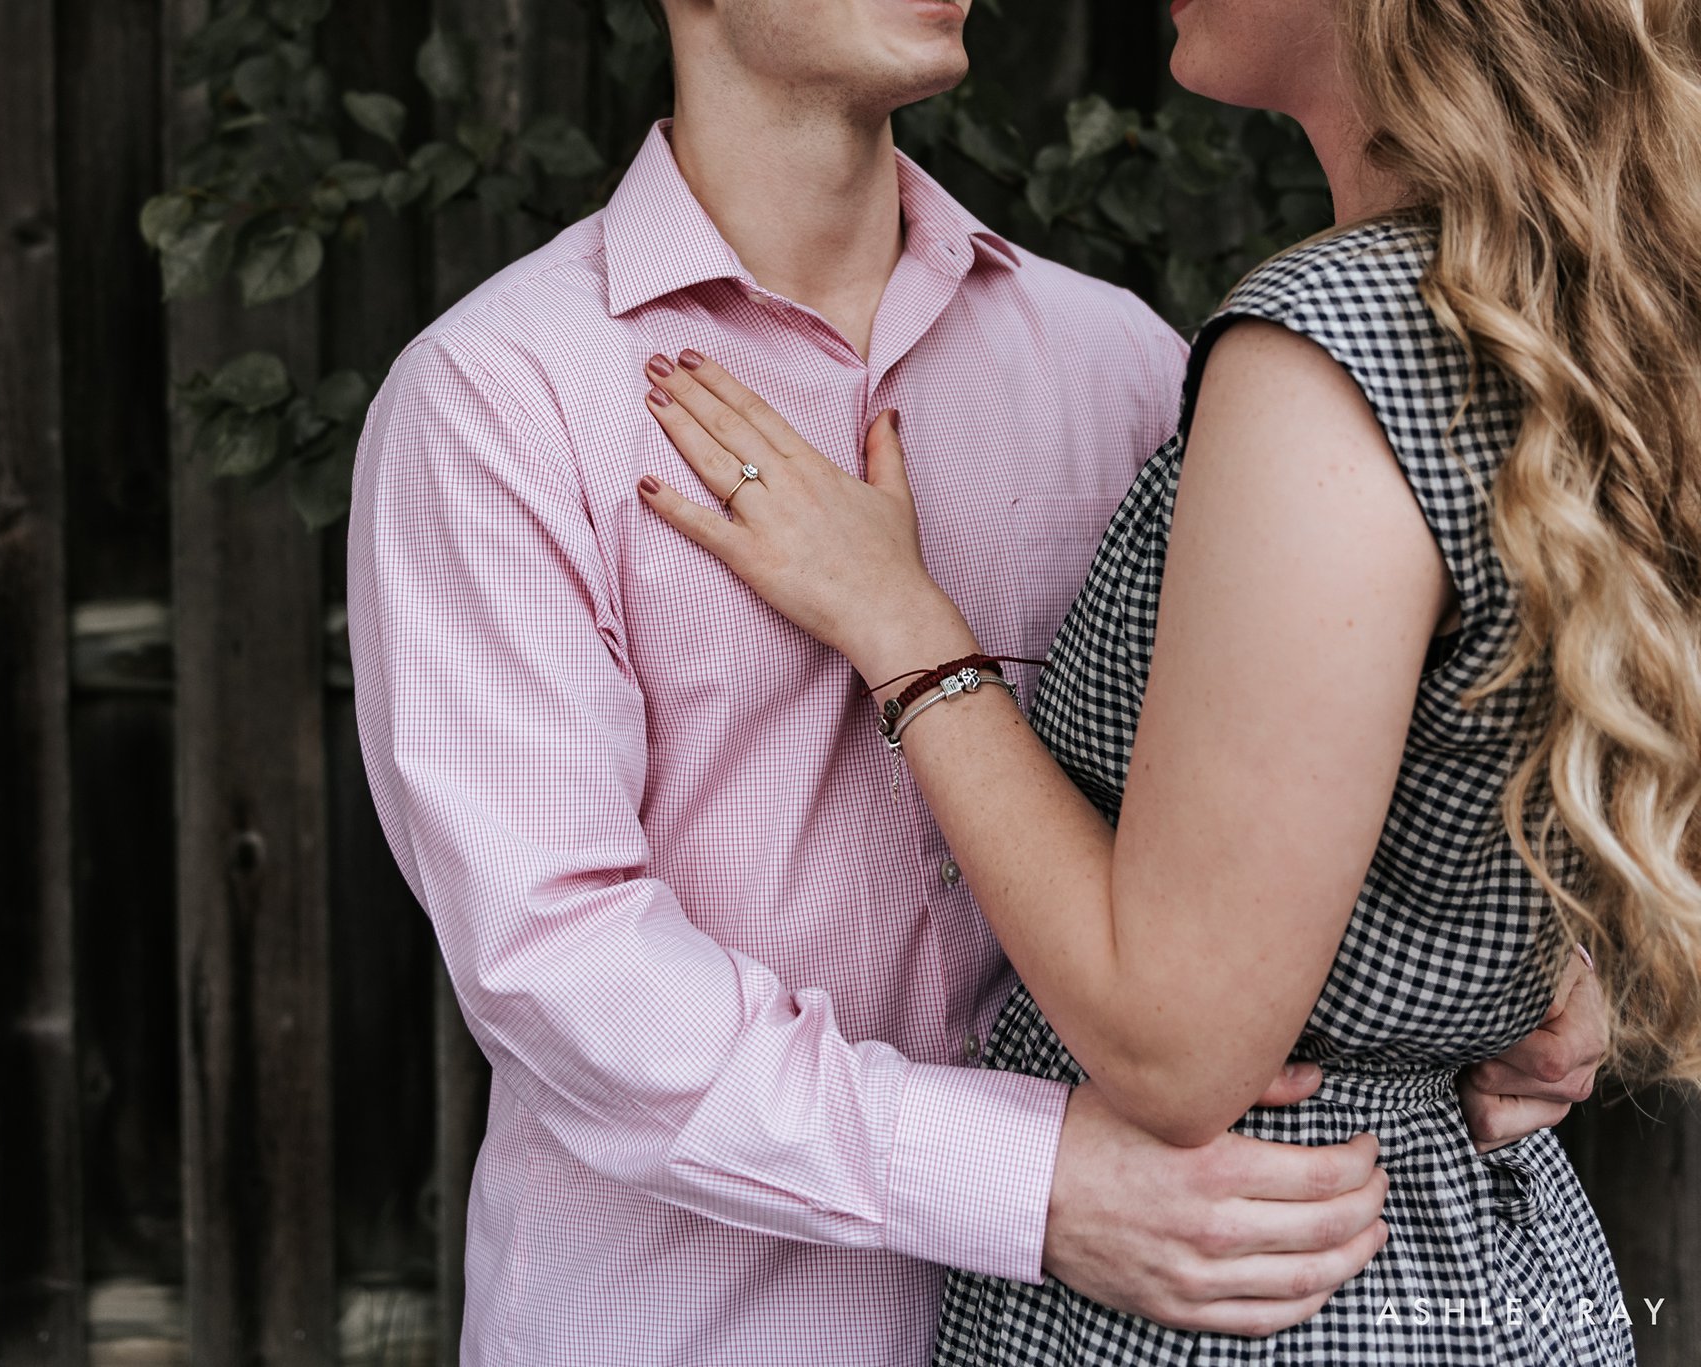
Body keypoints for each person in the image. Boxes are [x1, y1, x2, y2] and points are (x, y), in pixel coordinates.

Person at [347, 0, 1609, 1361]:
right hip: (707, 1329)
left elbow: (1281, 803)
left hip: (1107, 1331)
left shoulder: (1121, 362)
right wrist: (1023, 1177)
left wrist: (1524, 950)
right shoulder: (497, 399)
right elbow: (558, 965)